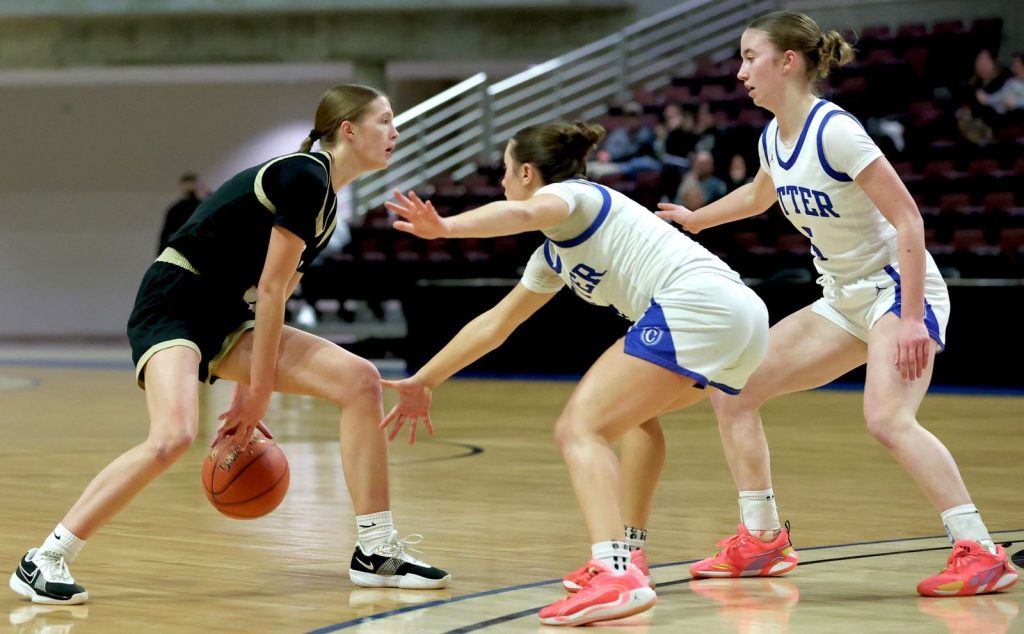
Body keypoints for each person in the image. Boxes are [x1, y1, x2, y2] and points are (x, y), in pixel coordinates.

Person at [9, 84, 450, 606]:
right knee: (173, 436)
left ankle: (375, 549)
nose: (396, 131)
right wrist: (260, 392)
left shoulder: (327, 204)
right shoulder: (305, 175)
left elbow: (277, 292)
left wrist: (247, 389)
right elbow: (270, 290)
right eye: (385, 120)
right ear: (349, 130)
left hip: (227, 314)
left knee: (360, 380)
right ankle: (45, 558)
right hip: (175, 299)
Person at [656, 11, 1018, 597]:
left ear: (788, 62)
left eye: (750, 57)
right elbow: (758, 195)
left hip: (898, 291)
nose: (740, 71)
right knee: (733, 389)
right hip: (844, 298)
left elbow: (909, 220)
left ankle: (979, 550)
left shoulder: (835, 131)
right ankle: (763, 539)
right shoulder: (772, 136)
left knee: (887, 419)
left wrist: (910, 319)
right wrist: (696, 219)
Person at [379, 120, 770, 626]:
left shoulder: (574, 196)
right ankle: (629, 554)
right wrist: (425, 379)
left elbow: (522, 212)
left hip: (699, 304)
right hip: (740, 319)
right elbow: (496, 324)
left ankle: (614, 575)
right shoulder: (552, 254)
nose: (501, 180)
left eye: (505, 170)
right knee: (632, 420)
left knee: (578, 428)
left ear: (527, 172)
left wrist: (447, 227)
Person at [157, 172, 206, 254]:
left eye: (192, 184)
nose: (190, 187)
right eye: (187, 184)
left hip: (200, 248)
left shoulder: (203, 207)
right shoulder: (175, 210)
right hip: (181, 249)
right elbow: (166, 233)